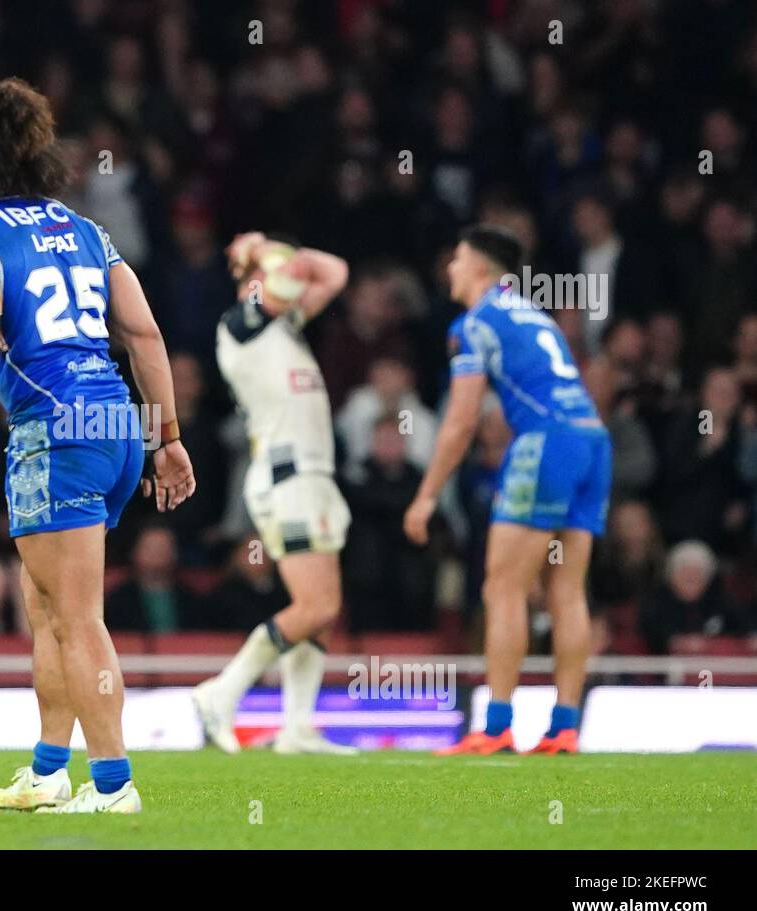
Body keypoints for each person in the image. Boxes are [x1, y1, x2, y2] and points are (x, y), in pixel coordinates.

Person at [0, 78, 195, 813]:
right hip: (115, 427)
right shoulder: (85, 230)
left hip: (54, 432)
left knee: (76, 619)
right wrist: (167, 437)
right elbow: (141, 333)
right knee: (45, 606)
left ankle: (113, 785)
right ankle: (49, 771)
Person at [403, 224, 612, 755]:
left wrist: (427, 495)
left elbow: (460, 422)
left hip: (543, 445)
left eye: (456, 259)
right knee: (567, 591)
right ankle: (565, 726)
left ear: (476, 268)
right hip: (591, 441)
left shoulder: (475, 324)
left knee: (503, 590)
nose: (449, 269)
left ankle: (496, 727)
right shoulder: (533, 313)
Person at [191, 233, 357, 756]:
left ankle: (297, 728)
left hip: (314, 478)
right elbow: (290, 278)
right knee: (317, 603)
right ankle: (222, 692)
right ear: (249, 284)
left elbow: (334, 272)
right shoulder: (240, 326)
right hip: (288, 480)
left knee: (321, 607)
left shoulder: (284, 326)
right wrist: (264, 253)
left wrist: (272, 248)